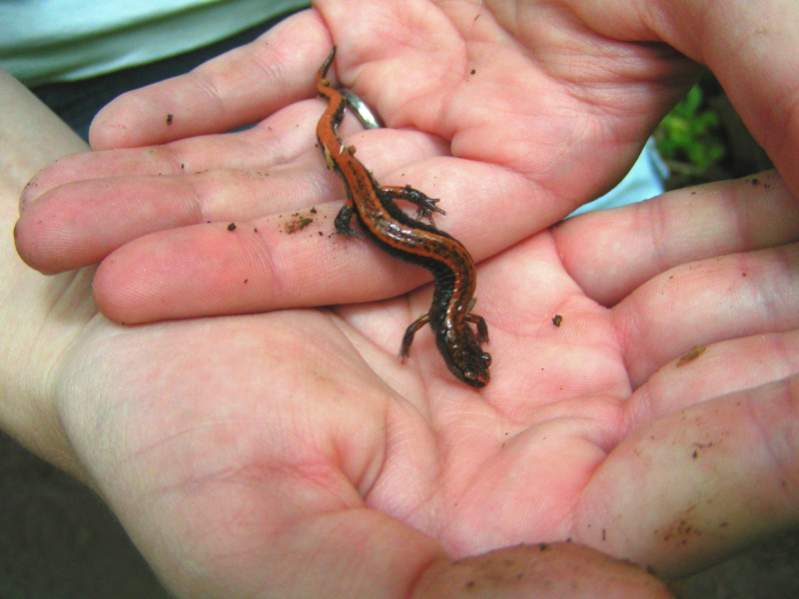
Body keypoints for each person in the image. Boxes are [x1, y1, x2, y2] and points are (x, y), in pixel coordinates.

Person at [5, 1, 799, 597]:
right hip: (109, 92)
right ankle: (337, 125)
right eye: (466, 358)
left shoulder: (445, 314)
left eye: (466, 358)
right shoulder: (450, 307)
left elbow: (432, 322)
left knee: (376, 199)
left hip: (386, 55)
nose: (464, 353)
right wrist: (369, 228)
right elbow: (435, 314)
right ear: (464, 345)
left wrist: (409, 310)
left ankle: (341, 126)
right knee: (359, 197)